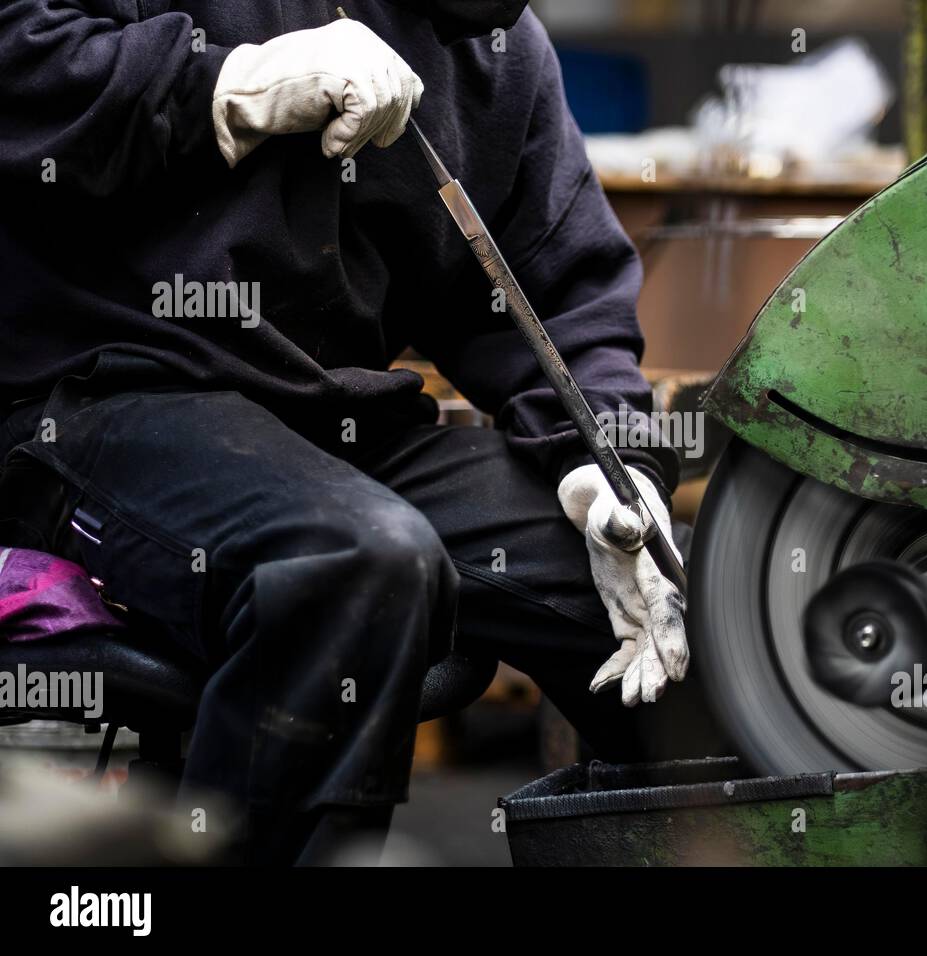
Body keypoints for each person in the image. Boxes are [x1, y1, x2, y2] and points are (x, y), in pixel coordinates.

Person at [0, 1, 694, 864]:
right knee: (354, 561)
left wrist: (613, 468)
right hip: (104, 401)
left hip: (340, 433)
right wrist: (227, 84)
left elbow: (558, 292)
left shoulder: (496, 49)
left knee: (686, 609)